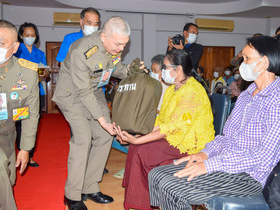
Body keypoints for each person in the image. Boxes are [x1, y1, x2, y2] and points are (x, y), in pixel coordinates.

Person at [148, 36, 280, 210]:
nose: (243, 63)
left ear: (264, 62)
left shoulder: (276, 99)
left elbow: (263, 156)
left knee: (172, 187)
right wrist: (205, 154)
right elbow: (226, 137)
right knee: (156, 175)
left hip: (249, 175)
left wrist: (210, 165)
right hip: (225, 162)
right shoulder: (247, 95)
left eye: (247, 58)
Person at [115, 49, 215, 210]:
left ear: (179, 69)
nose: (162, 72)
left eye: (165, 67)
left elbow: (172, 128)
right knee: (136, 147)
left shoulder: (192, 92)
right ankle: (141, 201)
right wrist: (137, 134)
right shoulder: (171, 89)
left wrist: (137, 139)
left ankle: (145, 202)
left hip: (191, 143)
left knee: (142, 150)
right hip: (175, 136)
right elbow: (161, 121)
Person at [52, 16, 135, 210]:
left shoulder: (112, 46)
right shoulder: (82, 50)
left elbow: (116, 69)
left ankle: (90, 186)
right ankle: (72, 195)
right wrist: (102, 120)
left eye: (125, 44)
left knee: (105, 135)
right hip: (72, 95)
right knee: (83, 138)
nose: (121, 49)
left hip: (95, 92)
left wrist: (132, 69)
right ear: (104, 36)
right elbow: (83, 92)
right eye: (118, 44)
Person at [0, 20, 39, 210]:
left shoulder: (27, 73)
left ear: (15, 47)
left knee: (8, 179)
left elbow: (30, 114)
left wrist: (25, 148)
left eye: (1, 43)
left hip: (7, 133)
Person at [14, 22, 48, 167]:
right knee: (20, 125)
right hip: (20, 93)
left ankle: (29, 155)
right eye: (27, 35)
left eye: (32, 35)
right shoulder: (16, 51)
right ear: (21, 36)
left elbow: (44, 74)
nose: (30, 37)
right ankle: (19, 152)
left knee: (33, 123)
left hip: (37, 92)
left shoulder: (40, 53)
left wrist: (45, 74)